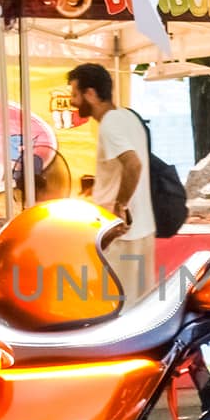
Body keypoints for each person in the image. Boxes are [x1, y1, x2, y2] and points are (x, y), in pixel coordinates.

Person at [69, 63, 153, 306]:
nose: (74, 102)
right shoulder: (128, 117)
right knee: (138, 306)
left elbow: (133, 164)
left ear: (91, 94)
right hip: (141, 230)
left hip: (121, 234)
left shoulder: (110, 123)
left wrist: (120, 206)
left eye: (75, 94)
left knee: (118, 307)